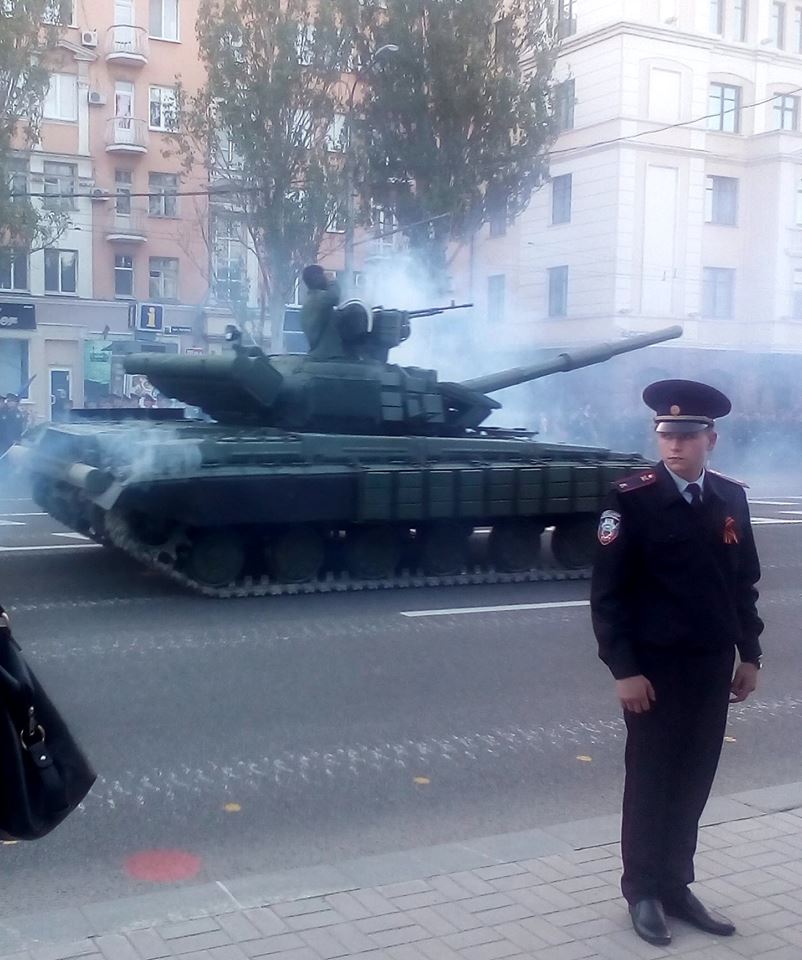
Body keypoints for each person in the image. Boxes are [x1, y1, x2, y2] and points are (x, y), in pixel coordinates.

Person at [590, 379, 763, 948]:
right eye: (666, 435)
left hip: (712, 667)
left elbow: (744, 586)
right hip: (654, 672)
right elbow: (608, 596)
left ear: (710, 439)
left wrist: (750, 653)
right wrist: (624, 670)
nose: (674, 445)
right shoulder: (632, 499)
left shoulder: (731, 499)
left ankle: (676, 884)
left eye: (687, 436)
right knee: (650, 779)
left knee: (693, 778)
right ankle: (641, 890)